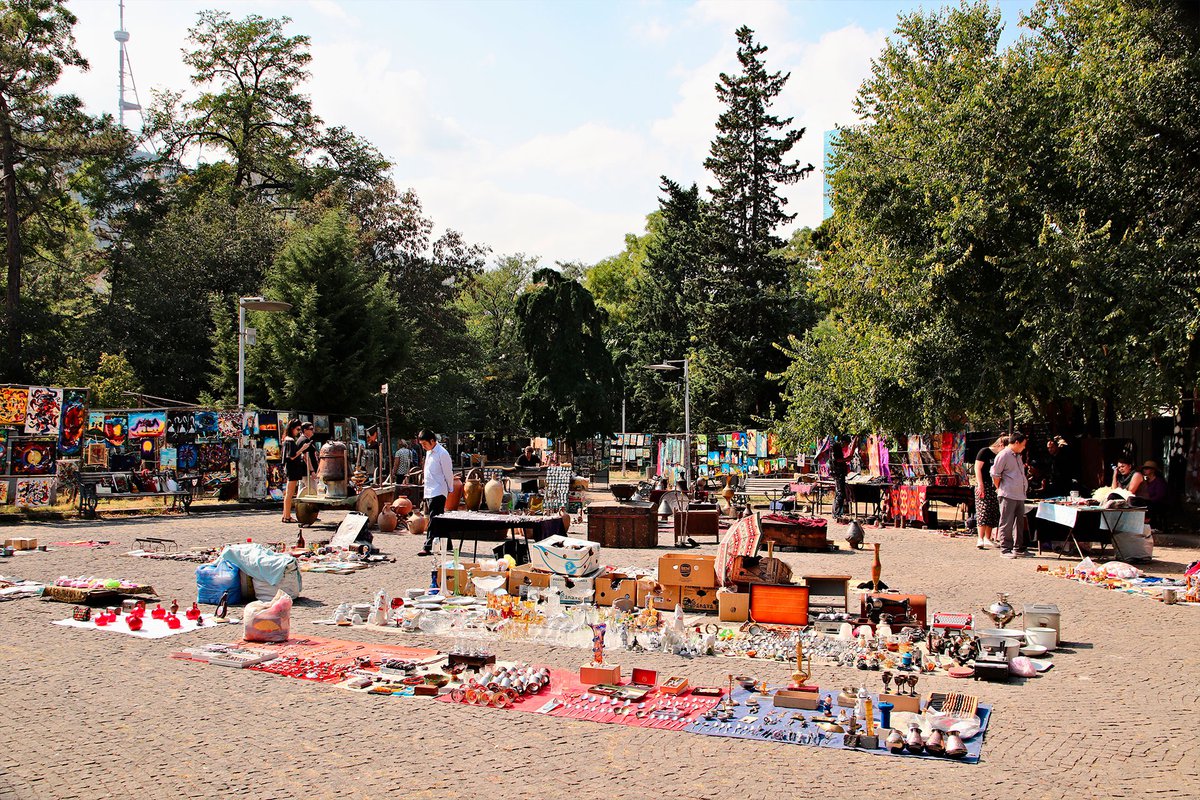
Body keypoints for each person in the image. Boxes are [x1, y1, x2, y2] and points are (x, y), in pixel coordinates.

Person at [991, 432, 1029, 558]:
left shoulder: (1017, 456)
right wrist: (1000, 488)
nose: (1024, 447)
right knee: (1006, 522)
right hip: (1008, 493)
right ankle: (1005, 549)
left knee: (1019, 522)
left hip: (1019, 494)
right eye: (1023, 444)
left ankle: (1018, 548)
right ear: (1016, 442)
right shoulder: (1004, 455)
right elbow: (995, 474)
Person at [417, 430, 454, 557]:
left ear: (432, 441)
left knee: (433, 519)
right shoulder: (429, 452)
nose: (423, 447)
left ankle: (427, 546)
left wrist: (450, 488)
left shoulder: (442, 453)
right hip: (429, 490)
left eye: (424, 444)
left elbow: (448, 473)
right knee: (439, 518)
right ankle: (448, 544)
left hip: (438, 490)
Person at [974, 436, 1007, 550]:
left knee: (993, 511)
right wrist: (980, 484)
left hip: (994, 485)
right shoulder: (985, 451)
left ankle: (988, 538)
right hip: (983, 484)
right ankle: (980, 537)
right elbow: (977, 468)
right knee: (983, 510)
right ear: (1001, 445)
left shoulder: (1000, 456)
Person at [281, 420, 308, 523]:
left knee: (288, 493)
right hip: (292, 468)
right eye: (297, 429)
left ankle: (285, 515)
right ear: (292, 428)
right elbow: (292, 456)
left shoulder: (286, 439)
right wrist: (302, 449)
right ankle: (287, 516)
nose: (298, 432)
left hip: (290, 468)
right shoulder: (290, 440)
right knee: (289, 493)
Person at [830, 435, 849, 521]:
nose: (846, 446)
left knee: (839, 493)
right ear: (844, 442)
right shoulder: (836, 447)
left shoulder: (837, 447)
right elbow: (837, 460)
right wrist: (847, 459)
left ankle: (837, 512)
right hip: (838, 473)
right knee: (840, 493)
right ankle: (837, 513)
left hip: (839, 473)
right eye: (847, 444)